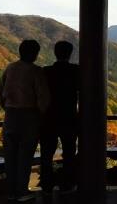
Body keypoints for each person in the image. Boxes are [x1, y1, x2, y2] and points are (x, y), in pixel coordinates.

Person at [0, 39, 50, 202]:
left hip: (10, 116)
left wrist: (7, 108)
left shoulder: (10, 68)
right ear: (35, 54)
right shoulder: (36, 71)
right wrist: (41, 114)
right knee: (25, 155)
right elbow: (44, 98)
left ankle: (11, 191)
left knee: (10, 155)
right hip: (29, 117)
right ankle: (22, 191)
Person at [39, 41, 80, 198]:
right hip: (69, 118)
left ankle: (47, 185)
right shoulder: (76, 71)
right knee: (69, 152)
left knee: (46, 153)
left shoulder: (46, 71)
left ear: (55, 53)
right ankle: (67, 184)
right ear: (70, 54)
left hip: (49, 118)